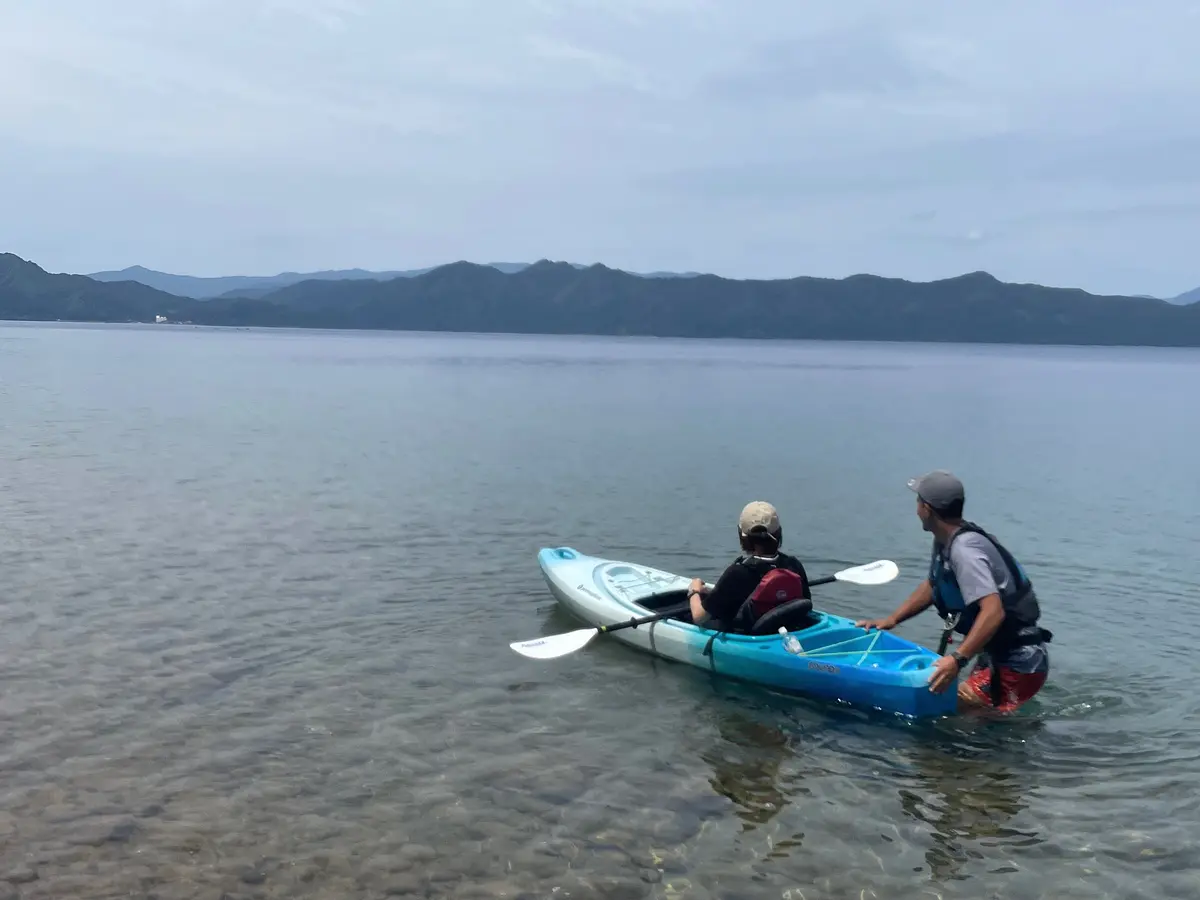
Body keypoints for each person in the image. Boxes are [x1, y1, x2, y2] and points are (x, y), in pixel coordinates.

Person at [857, 470, 1052, 713]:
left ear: (927, 509)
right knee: (963, 712)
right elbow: (934, 584)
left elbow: (993, 612)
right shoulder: (945, 540)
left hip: (1020, 661)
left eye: (918, 502)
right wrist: (892, 619)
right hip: (994, 652)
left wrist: (956, 660)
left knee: (955, 712)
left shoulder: (965, 551)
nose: (916, 509)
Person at [688, 501, 811, 633]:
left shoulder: (737, 573)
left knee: (689, 615)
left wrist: (694, 591)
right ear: (779, 532)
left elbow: (699, 617)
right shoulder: (793, 565)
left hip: (750, 637)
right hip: (786, 629)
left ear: (742, 537)